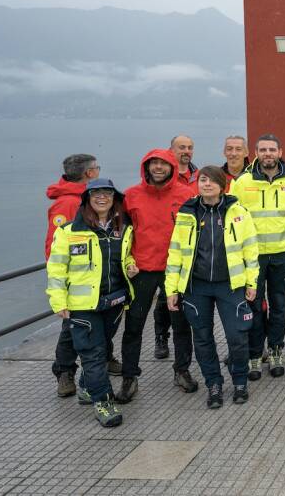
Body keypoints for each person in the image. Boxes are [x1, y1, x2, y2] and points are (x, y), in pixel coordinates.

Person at [166, 166, 260, 408]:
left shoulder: (238, 212)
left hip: (230, 286)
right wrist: (171, 289)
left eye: (212, 180)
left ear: (222, 185)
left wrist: (252, 282)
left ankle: (239, 381)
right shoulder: (187, 213)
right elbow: (176, 253)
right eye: (202, 180)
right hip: (196, 287)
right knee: (203, 338)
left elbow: (250, 249)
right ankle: (214, 384)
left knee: (237, 337)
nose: (206, 184)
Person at [46, 178, 135, 428]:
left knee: (103, 345)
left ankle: (86, 386)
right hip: (82, 306)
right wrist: (58, 301)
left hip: (114, 301)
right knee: (94, 356)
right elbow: (56, 270)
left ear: (114, 198)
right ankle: (103, 402)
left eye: (107, 193)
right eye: (95, 193)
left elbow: (125, 256)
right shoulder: (69, 232)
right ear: (86, 199)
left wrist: (130, 265)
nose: (102, 197)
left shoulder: (123, 229)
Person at [118, 149, 197, 403]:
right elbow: (121, 234)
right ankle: (130, 377)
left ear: (173, 167)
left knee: (181, 324)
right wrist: (127, 262)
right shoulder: (131, 196)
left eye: (164, 163)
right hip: (142, 270)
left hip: (176, 269)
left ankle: (182, 370)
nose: (159, 168)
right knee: (133, 326)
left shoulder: (187, 195)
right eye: (154, 163)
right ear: (146, 167)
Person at [45, 154, 121, 397]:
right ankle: (65, 372)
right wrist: (62, 288)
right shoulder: (69, 204)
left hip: (98, 285)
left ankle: (98, 365)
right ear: (89, 173)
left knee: (90, 331)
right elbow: (57, 246)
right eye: (96, 168)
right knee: (71, 332)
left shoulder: (83, 197)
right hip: (77, 285)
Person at [229, 134, 285, 380]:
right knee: (254, 306)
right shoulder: (242, 182)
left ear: (280, 152)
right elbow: (231, 217)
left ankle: (276, 351)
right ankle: (254, 355)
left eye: (272, 149)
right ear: (256, 153)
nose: (268, 153)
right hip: (253, 257)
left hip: (283, 254)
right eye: (263, 150)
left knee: (279, 305)